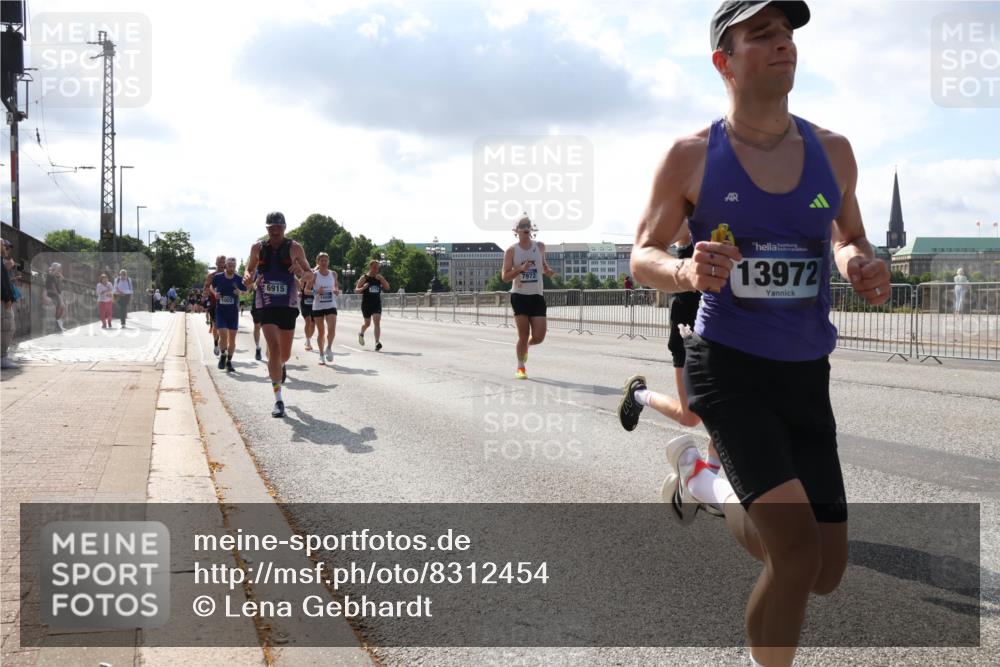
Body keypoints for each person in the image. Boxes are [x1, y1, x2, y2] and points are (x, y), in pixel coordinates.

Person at [629, 3, 891, 667]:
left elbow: (849, 233)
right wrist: (686, 270)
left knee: (825, 568)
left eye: (788, 33)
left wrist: (856, 260)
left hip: (806, 370)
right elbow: (642, 254)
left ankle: (704, 479)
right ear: (725, 60)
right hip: (731, 367)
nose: (784, 44)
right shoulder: (691, 156)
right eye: (763, 34)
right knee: (796, 556)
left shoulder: (833, 152)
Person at [619, 226, 724, 509]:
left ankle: (706, 482)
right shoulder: (691, 221)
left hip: (725, 328)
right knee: (689, 416)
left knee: (725, 408)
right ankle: (639, 394)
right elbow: (660, 238)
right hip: (687, 328)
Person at [243, 212, 312, 418]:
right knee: (273, 347)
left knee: (285, 354)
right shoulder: (258, 248)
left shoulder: (294, 247)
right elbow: (249, 270)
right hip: (266, 302)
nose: (274, 231)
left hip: (288, 303)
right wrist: (248, 277)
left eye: (278, 227)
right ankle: (278, 399)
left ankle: (280, 364)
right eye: (271, 227)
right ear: (266, 229)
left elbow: (310, 274)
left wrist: (302, 271)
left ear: (284, 228)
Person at [501, 213, 555, 379]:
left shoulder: (539, 247)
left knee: (539, 337)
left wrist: (548, 271)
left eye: (527, 226)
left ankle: (527, 347)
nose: (525, 228)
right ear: (516, 231)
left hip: (537, 296)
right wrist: (520, 270)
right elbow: (505, 277)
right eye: (522, 226)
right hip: (519, 296)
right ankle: (520, 367)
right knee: (523, 335)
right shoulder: (511, 251)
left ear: (531, 229)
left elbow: (544, 265)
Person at [211, 257, 245, 372]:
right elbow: (211, 286)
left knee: (232, 339)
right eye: (229, 265)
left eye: (233, 266)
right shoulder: (218, 277)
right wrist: (215, 293)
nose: (231, 268)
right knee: (223, 335)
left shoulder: (238, 279)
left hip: (233, 313)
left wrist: (240, 292)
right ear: (225, 265)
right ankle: (223, 355)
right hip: (221, 311)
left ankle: (229, 362)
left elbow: (246, 291)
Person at [310, 252, 340, 365]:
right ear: (318, 262)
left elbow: (336, 286)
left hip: (331, 305)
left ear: (328, 262)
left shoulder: (333, 274)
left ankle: (329, 348)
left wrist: (336, 290)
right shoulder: (315, 275)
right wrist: (316, 291)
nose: (323, 262)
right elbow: (307, 290)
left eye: (325, 260)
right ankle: (321, 354)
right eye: (321, 260)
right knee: (321, 332)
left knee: (332, 329)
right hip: (318, 306)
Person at [356, 259, 389, 351]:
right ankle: (361, 333)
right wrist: (363, 287)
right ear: (370, 267)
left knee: (377, 322)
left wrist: (382, 279)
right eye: (374, 267)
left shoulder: (379, 278)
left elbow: (387, 287)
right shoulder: (364, 278)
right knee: (367, 323)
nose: (376, 269)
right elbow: (356, 290)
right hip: (366, 304)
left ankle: (377, 342)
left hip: (376, 303)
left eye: (377, 268)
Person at [1, 239, 19, 370]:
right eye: (3, 245)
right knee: (7, 328)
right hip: (3, 301)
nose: (5, 248)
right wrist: (7, 298)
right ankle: (2, 358)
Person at [203, 255, 226, 355]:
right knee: (216, 326)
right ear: (216, 263)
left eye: (223, 262)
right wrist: (211, 292)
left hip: (226, 305)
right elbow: (205, 290)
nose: (221, 264)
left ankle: (223, 346)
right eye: (220, 262)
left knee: (225, 328)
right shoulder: (211, 276)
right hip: (214, 304)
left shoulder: (228, 274)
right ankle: (216, 344)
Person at [45, 262, 66, 333]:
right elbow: (52, 285)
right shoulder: (50, 273)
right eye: (58, 268)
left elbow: (63, 279)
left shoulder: (56, 274)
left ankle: (57, 323)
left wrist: (59, 276)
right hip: (52, 294)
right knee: (59, 307)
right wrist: (58, 294)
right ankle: (56, 324)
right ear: (55, 268)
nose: (59, 269)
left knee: (62, 308)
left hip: (57, 293)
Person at [299, 270, 316, 351]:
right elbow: (298, 289)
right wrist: (299, 292)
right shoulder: (302, 280)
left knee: (313, 323)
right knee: (308, 321)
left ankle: (308, 338)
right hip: (305, 304)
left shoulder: (315, 281)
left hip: (314, 304)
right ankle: (308, 341)